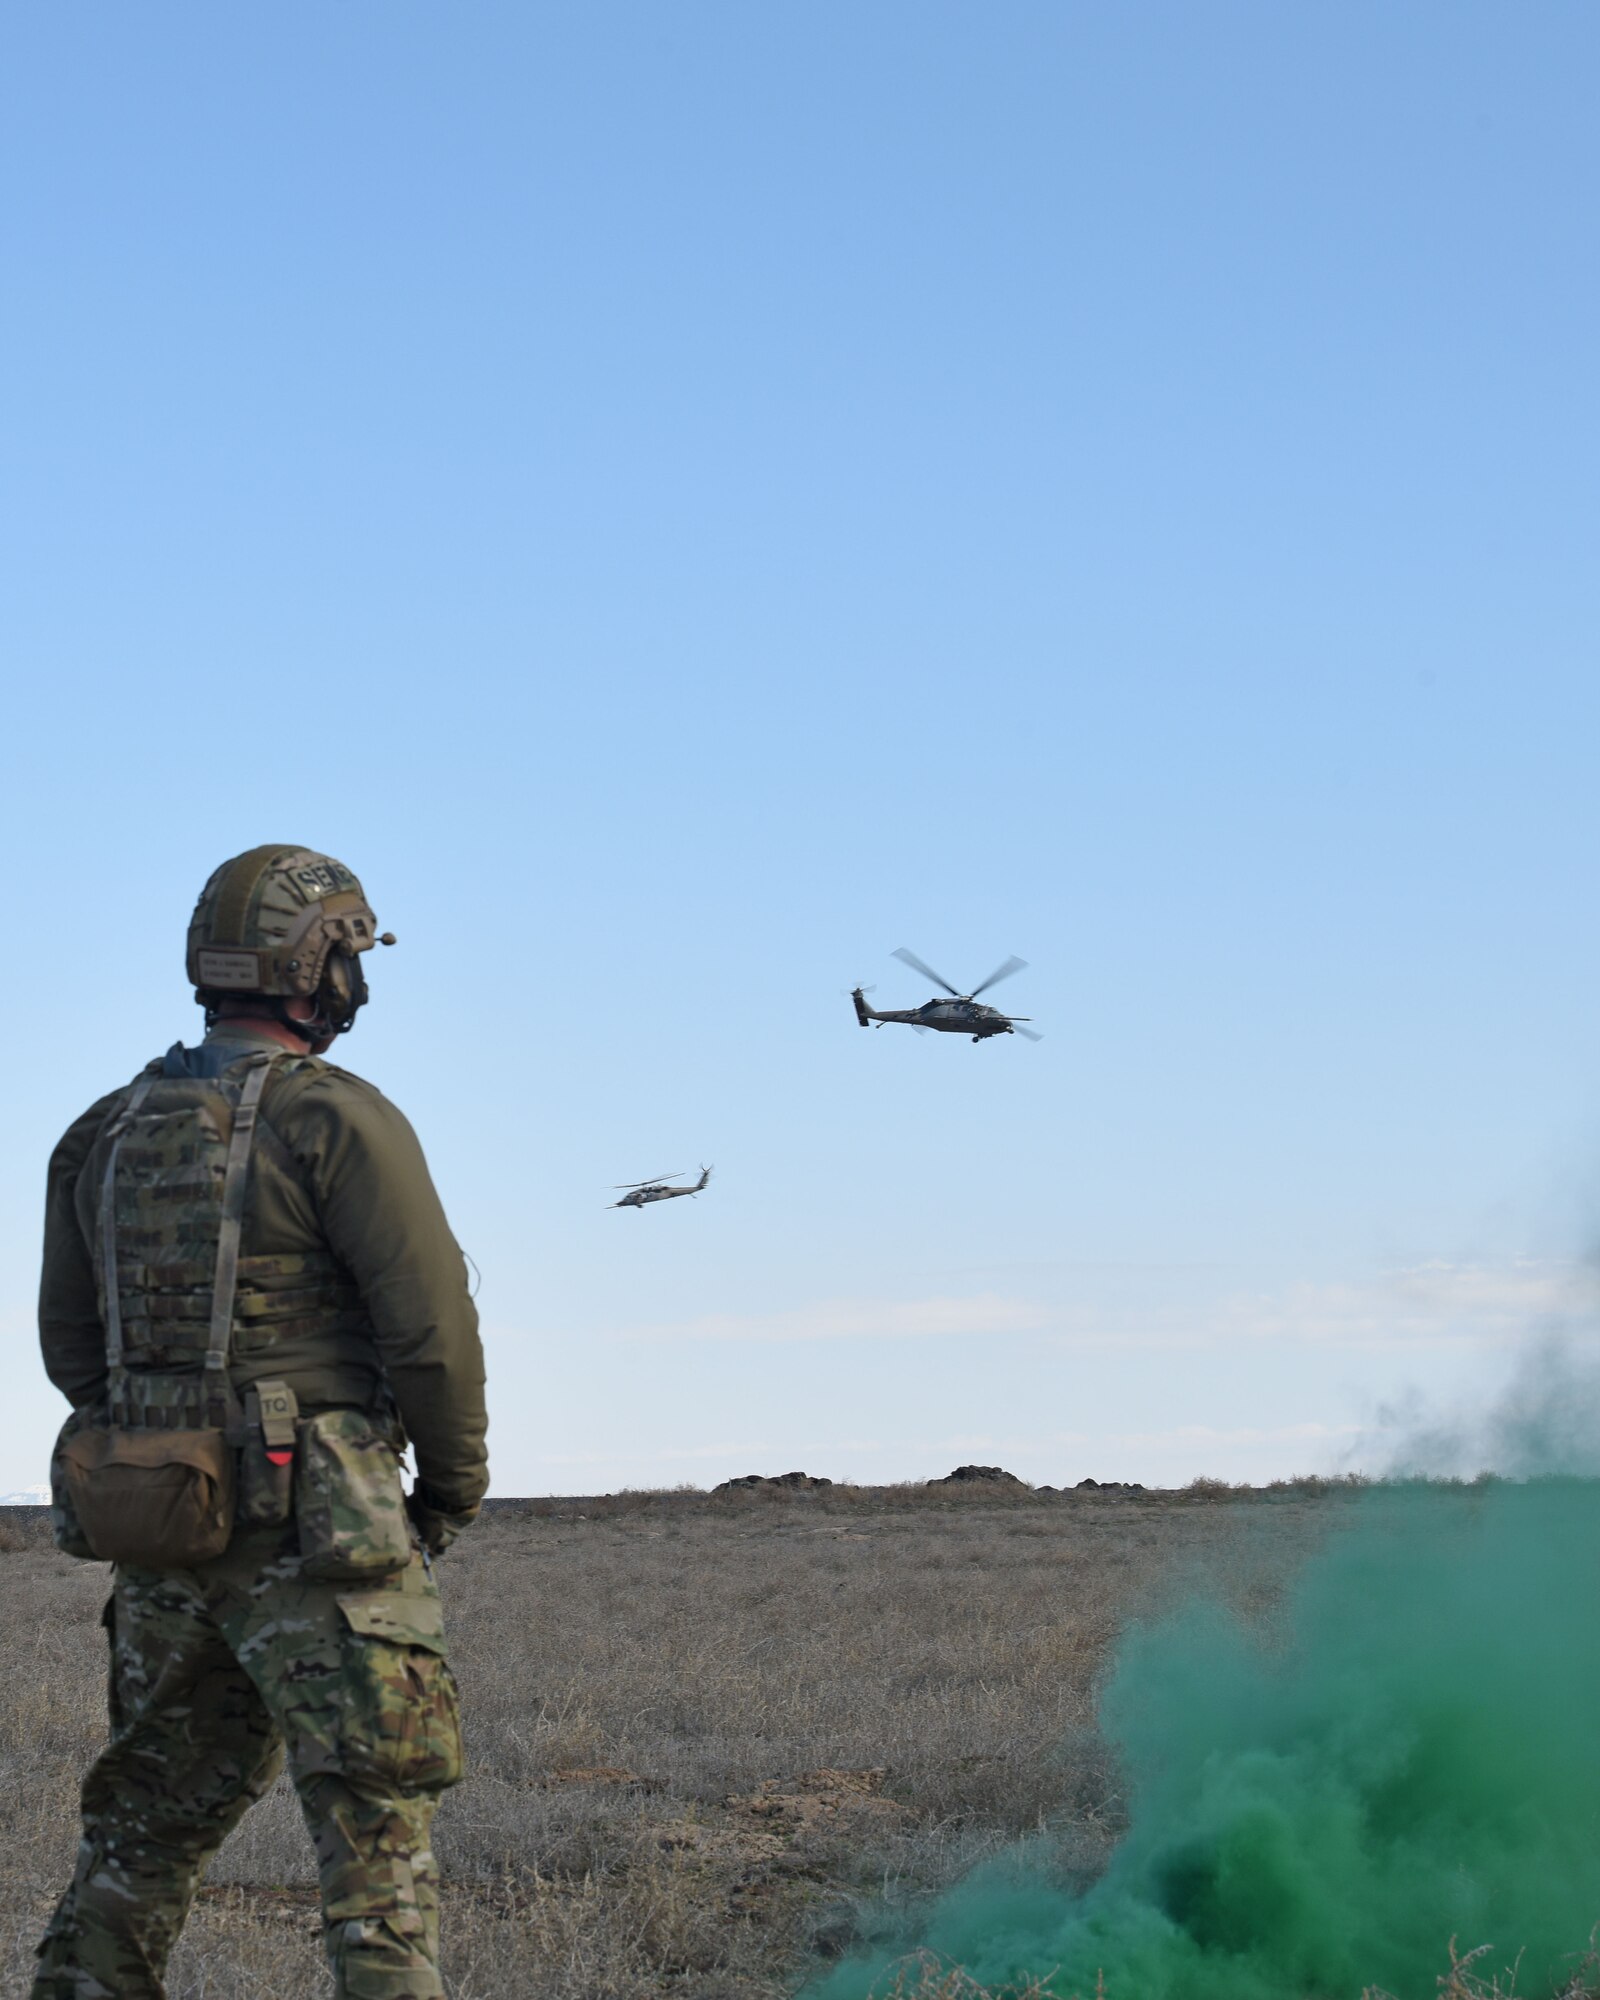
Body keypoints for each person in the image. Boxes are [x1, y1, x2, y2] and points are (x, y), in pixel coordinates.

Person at [33, 844, 489, 2000]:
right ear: (315, 965)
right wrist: (448, 1486)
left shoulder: (100, 1131)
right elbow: (429, 1326)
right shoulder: (335, 1115)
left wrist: (158, 1435)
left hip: (163, 1524)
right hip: (320, 1529)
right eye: (349, 955)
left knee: (141, 1833)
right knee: (374, 1844)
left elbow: (72, 1348)